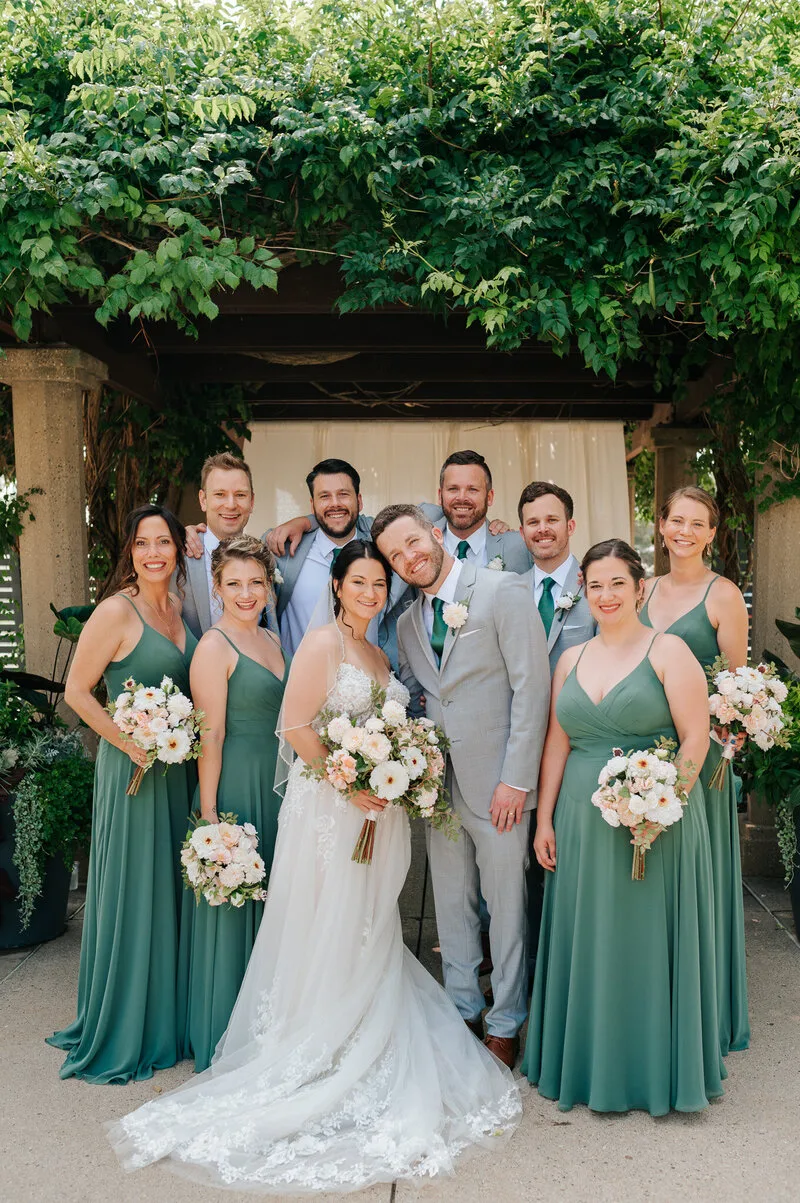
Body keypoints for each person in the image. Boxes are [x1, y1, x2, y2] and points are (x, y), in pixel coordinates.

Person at [108, 540, 519, 1191]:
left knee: (365, 924)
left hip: (374, 812)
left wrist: (399, 768)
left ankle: (360, 1036)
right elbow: (295, 725)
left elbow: (390, 727)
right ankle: (322, 1050)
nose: (370, 592)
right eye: (359, 581)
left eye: (378, 584)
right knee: (329, 923)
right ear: (337, 586)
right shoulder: (322, 644)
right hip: (330, 811)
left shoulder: (380, 654)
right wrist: (346, 773)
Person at [522, 538, 725, 1114]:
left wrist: (661, 803)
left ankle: (650, 1068)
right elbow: (557, 743)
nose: (606, 595)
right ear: (582, 593)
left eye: (617, 583)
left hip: (653, 825)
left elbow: (694, 738)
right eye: (595, 585)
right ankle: (587, 1063)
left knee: (642, 942)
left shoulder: (671, 651)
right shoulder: (570, 659)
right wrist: (544, 820)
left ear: (640, 588)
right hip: (582, 826)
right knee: (589, 938)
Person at [372, 505, 550, 1069]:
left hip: (500, 785)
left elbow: (532, 691)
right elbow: (424, 698)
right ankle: (461, 1011)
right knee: (451, 907)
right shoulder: (405, 623)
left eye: (412, 544)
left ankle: (505, 1022)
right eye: (395, 556)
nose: (409, 558)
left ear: (433, 534)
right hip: (438, 787)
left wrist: (516, 781)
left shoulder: (502, 591)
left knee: (507, 908)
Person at [47, 506, 197, 1084]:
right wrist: (131, 741)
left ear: (179, 551)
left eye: (164, 542)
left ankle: (164, 1015)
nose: (154, 552)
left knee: (169, 889)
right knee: (136, 889)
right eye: (143, 543)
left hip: (174, 770)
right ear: (130, 553)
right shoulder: (116, 609)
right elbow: (77, 693)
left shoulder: (179, 610)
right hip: (132, 769)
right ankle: (125, 1024)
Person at [640, 485, 750, 1055]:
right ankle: (656, 1001)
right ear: (661, 526)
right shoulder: (643, 588)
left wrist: (713, 747)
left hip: (697, 758)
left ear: (712, 534)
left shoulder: (723, 595)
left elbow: (736, 686)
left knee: (696, 885)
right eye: (674, 520)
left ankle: (703, 1014)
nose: (683, 531)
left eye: (696, 523)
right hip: (639, 755)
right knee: (652, 881)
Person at [178, 535, 287, 1073]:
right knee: (234, 906)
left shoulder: (272, 637)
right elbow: (212, 735)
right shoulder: (214, 647)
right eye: (234, 584)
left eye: (256, 583)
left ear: (269, 588)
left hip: (279, 785)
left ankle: (265, 1027)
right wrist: (210, 817)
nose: (246, 593)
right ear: (216, 589)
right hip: (236, 787)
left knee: (272, 910)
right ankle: (224, 1032)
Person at [518, 481, 596, 671]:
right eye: (533, 522)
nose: (542, 529)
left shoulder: (595, 587)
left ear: (570, 527)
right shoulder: (511, 591)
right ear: (522, 532)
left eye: (552, 520)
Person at [179, 452, 257, 639]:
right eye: (220, 494)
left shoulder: (265, 556)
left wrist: (305, 522)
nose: (230, 505)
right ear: (203, 500)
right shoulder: (178, 556)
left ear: (252, 501)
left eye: (240, 495)